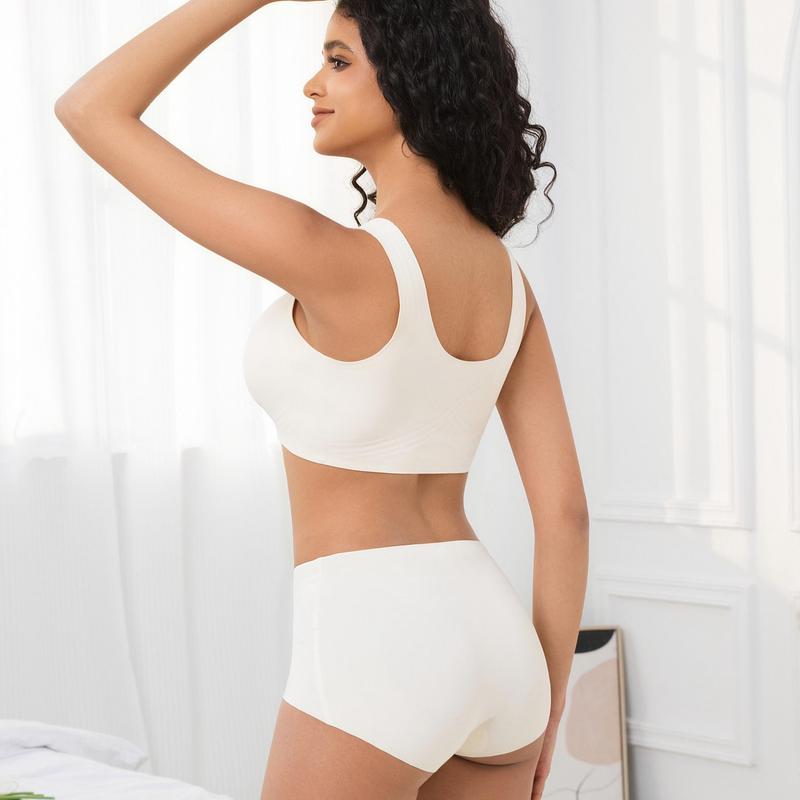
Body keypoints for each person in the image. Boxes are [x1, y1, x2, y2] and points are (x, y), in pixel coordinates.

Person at [54, 1, 589, 798]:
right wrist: (547, 697)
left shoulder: (329, 258)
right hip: (503, 650)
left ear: (411, 79)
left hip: (376, 643)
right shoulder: (507, 283)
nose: (313, 84)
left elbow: (90, 108)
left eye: (338, 61)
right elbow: (566, 513)